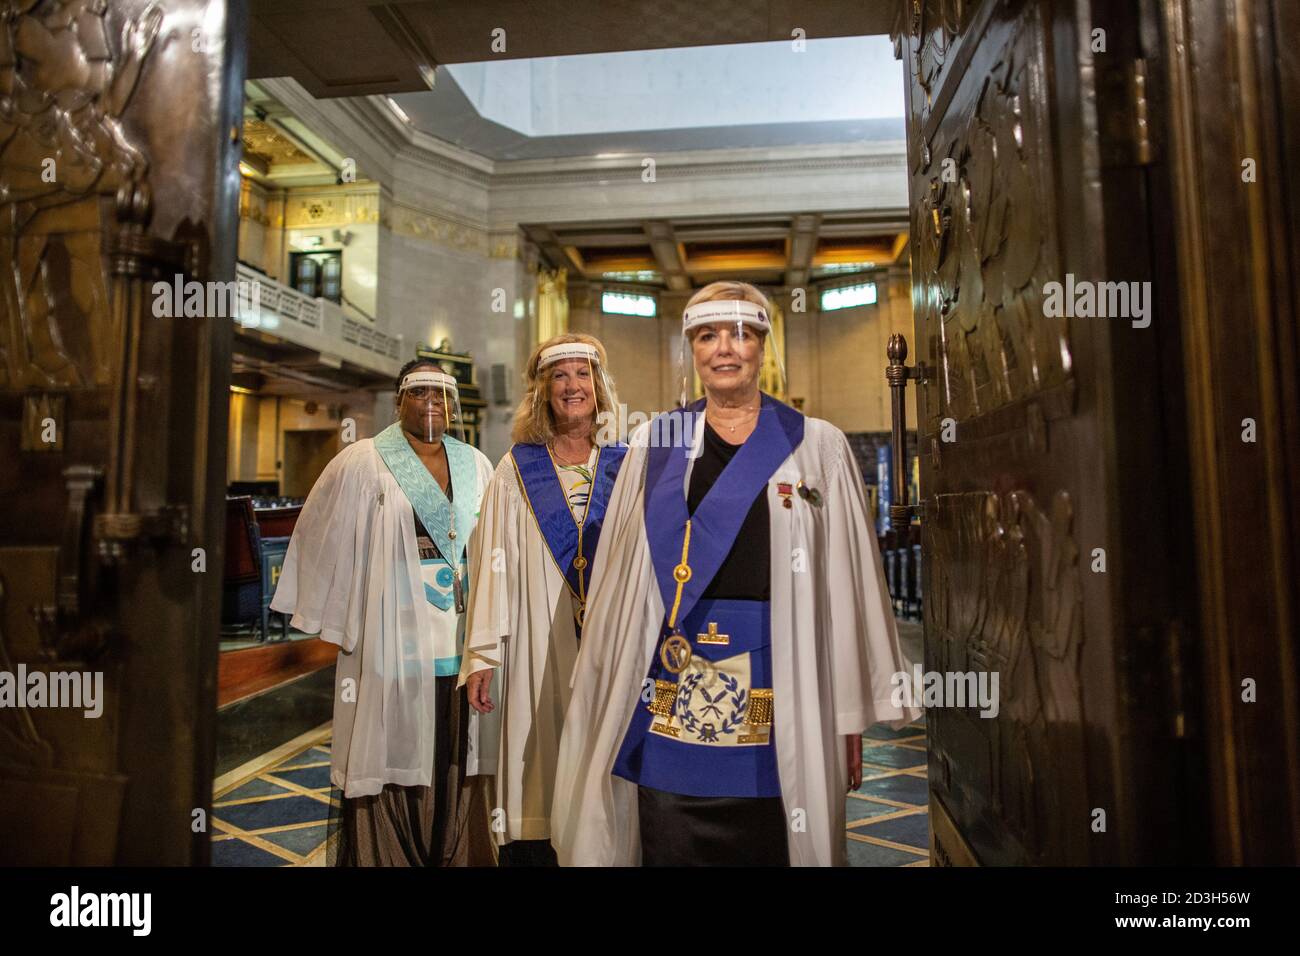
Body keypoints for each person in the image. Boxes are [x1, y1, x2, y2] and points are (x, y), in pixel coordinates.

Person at [552, 281, 920, 866]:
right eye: (707, 335)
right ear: (692, 348)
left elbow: (847, 587)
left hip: (786, 676)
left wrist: (848, 713)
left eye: (740, 333)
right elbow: (622, 578)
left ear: (762, 345)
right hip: (671, 677)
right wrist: (604, 681)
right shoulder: (655, 441)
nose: (725, 348)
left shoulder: (815, 445)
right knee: (671, 832)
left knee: (772, 835)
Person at [271, 358, 495, 866]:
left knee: (453, 750)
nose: (432, 403)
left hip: (461, 638)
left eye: (442, 394)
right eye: (420, 393)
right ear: (400, 400)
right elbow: (321, 532)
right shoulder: (363, 460)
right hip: (393, 635)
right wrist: (344, 612)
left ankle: (453, 850)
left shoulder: (476, 464)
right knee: (394, 748)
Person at [461, 334, 626, 866]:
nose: (572, 386)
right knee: (541, 752)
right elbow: (491, 562)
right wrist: (483, 651)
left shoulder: (627, 466)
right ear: (543, 391)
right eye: (560, 376)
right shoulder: (516, 469)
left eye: (582, 375)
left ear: (598, 388)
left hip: (609, 641)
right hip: (537, 639)